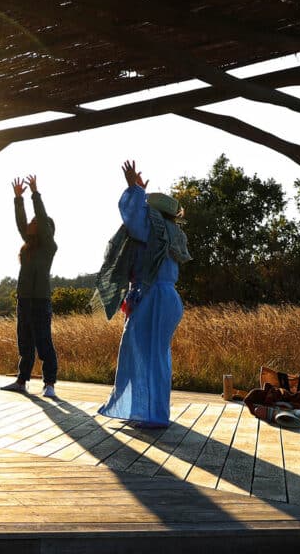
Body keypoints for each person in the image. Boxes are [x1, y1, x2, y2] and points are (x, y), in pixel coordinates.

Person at [97, 160, 191, 428]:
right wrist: (138, 193)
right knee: (155, 356)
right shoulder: (172, 231)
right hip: (166, 297)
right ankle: (151, 411)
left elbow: (133, 216)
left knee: (142, 355)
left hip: (153, 298)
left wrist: (134, 190)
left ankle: (147, 414)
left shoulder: (155, 228)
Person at [0, 175, 59, 398]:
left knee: (44, 342)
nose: (31, 223)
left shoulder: (49, 247)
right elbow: (20, 222)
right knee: (25, 342)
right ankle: (22, 380)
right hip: (24, 300)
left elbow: (42, 219)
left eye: (35, 222)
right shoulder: (29, 246)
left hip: (41, 300)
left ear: (46, 229)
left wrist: (35, 193)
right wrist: (18, 199)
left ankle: (49, 384)